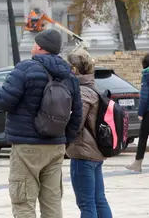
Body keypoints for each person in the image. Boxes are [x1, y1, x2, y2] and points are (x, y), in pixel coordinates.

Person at [0, 28, 82, 218]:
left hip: (27, 147)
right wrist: (64, 140)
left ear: (39, 46)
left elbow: (4, 101)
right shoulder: (69, 76)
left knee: (23, 202)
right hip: (55, 146)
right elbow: (77, 115)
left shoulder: (25, 69)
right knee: (52, 202)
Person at [65, 48, 113, 218]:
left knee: (86, 204)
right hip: (95, 152)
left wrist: (64, 140)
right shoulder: (93, 87)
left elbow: (76, 123)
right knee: (99, 200)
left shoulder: (83, 91)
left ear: (74, 70)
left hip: (83, 152)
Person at [125, 52, 149, 173]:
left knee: (143, 137)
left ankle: (137, 163)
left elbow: (145, 96)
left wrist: (140, 112)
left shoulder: (147, 74)